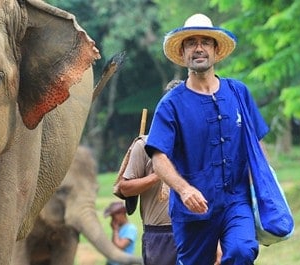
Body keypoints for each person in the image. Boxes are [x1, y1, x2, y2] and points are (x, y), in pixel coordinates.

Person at [145, 13, 266, 265]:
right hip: (192, 210)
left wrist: (263, 185)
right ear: (183, 51)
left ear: (215, 49)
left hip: (237, 201)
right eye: (191, 43)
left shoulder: (238, 92)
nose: (199, 48)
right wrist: (184, 189)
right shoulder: (171, 104)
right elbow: (159, 158)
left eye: (205, 42)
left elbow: (256, 144)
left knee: (242, 250)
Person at [113, 79, 182, 265]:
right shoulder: (144, 145)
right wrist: (159, 173)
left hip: (195, 231)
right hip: (160, 237)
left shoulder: (198, 143)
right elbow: (125, 188)